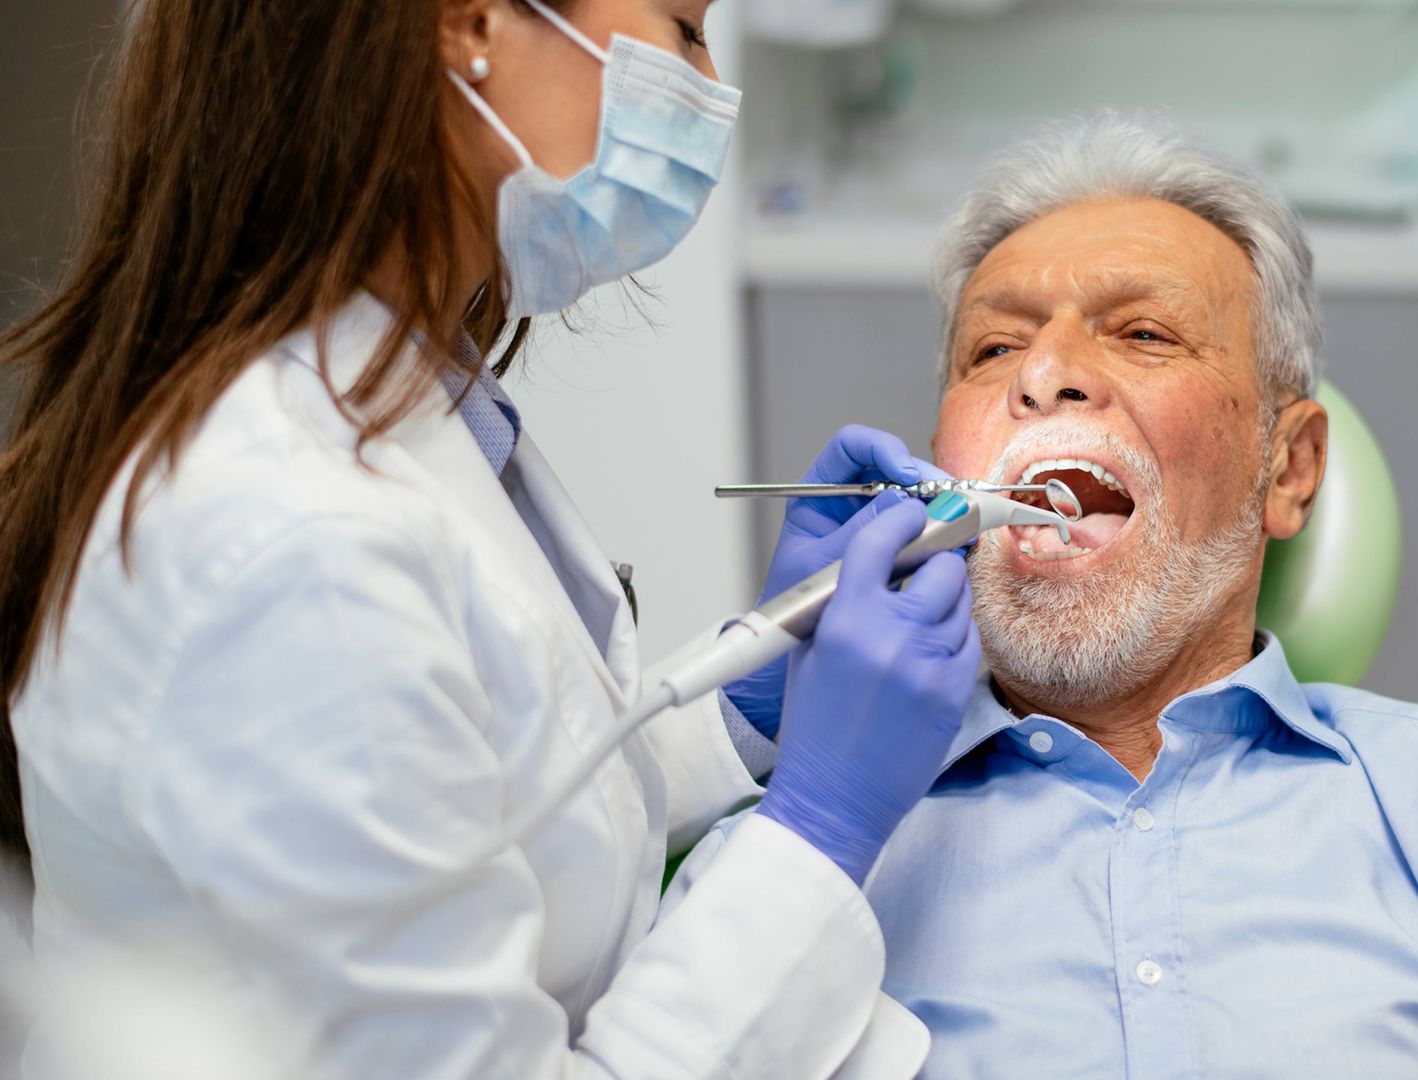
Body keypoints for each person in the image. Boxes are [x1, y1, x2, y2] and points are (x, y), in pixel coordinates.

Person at [0, 1, 975, 1076]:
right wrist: (818, 830)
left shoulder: (414, 406)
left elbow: (494, 789)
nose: (708, 92)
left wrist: (748, 712)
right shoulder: (283, 536)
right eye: (684, 30)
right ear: (470, 25)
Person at [684, 114, 1418, 1076]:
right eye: (995, 348)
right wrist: (801, 829)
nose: (1044, 376)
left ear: (1287, 469)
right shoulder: (785, 871)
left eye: (1142, 333)